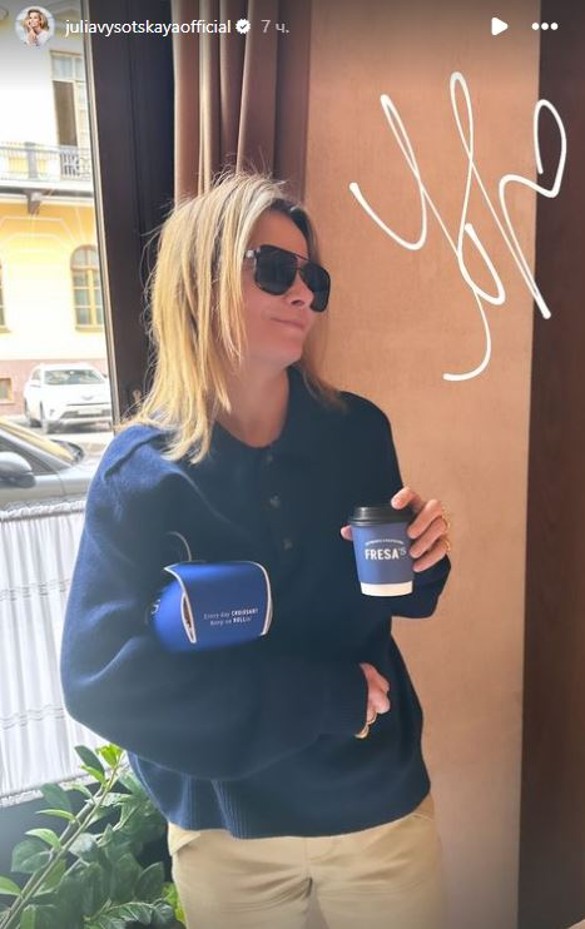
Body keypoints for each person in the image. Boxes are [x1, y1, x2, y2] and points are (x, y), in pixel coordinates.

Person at [61, 171, 452, 929]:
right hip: (226, 831)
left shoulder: (358, 432)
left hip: (377, 807)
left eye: (313, 278)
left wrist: (424, 560)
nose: (303, 294)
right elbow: (101, 678)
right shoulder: (141, 474)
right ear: (200, 281)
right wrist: (318, 698)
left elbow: (400, 592)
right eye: (274, 269)